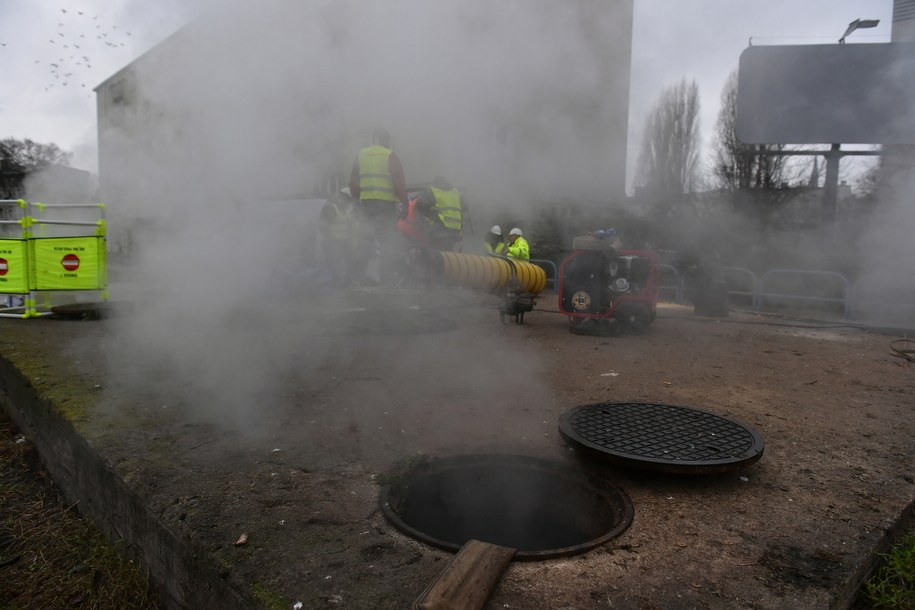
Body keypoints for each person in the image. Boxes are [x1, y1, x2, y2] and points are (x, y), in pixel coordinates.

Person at [349, 128, 408, 283]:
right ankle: (387, 279)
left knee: (364, 242)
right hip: (385, 206)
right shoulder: (390, 155)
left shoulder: (360, 155)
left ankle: (357, 278)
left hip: (367, 206)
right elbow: (399, 182)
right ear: (386, 140)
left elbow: (354, 183)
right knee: (387, 243)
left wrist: (355, 204)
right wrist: (404, 203)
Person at [412, 176, 464, 251]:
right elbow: (465, 206)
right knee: (448, 253)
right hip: (456, 230)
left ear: (434, 183)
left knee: (436, 253)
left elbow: (420, 203)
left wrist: (432, 216)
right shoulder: (456, 192)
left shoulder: (433, 191)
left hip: (441, 228)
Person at [318, 187, 354, 285]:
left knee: (346, 265)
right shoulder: (331, 209)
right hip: (332, 243)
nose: (348, 205)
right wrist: (332, 241)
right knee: (334, 267)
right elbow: (323, 227)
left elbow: (347, 229)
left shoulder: (344, 212)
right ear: (342, 198)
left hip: (342, 242)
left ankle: (344, 284)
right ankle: (333, 286)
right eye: (348, 201)